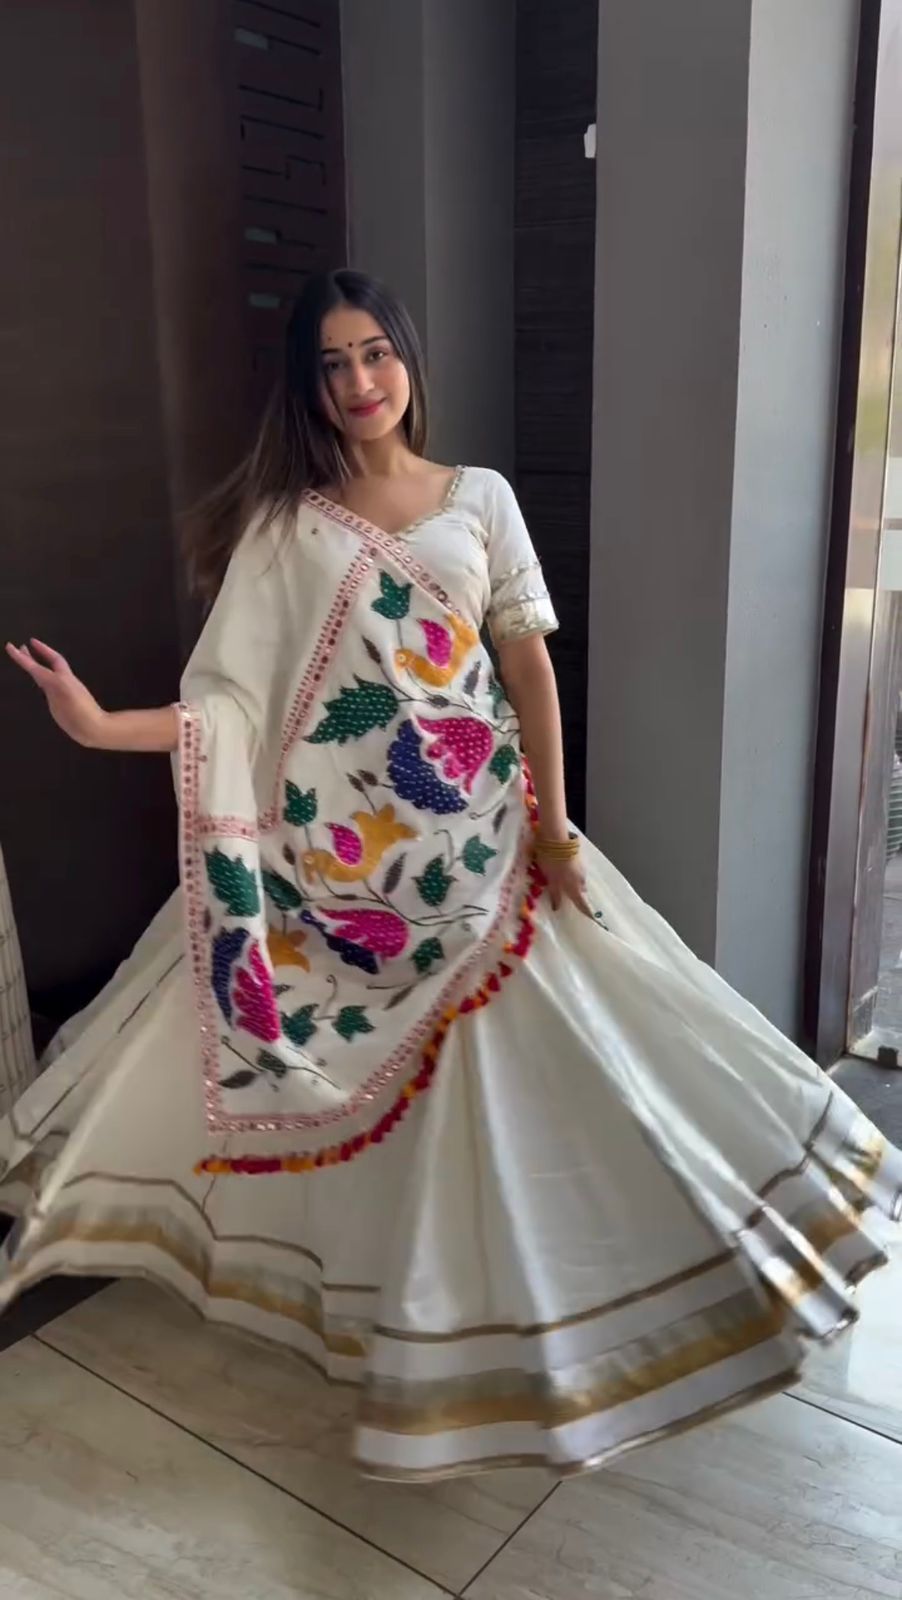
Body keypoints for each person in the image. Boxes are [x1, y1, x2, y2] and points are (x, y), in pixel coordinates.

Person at [2, 269, 900, 1484]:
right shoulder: (287, 527)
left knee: (587, 1068)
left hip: (486, 847)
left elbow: (525, 669)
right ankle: (407, 1322)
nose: (359, 381)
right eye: (332, 363)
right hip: (343, 873)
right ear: (309, 384)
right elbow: (235, 706)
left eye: (375, 353)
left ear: (407, 360)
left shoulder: (479, 498)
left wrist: (555, 831)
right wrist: (104, 724)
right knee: (374, 1107)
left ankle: (564, 1306)